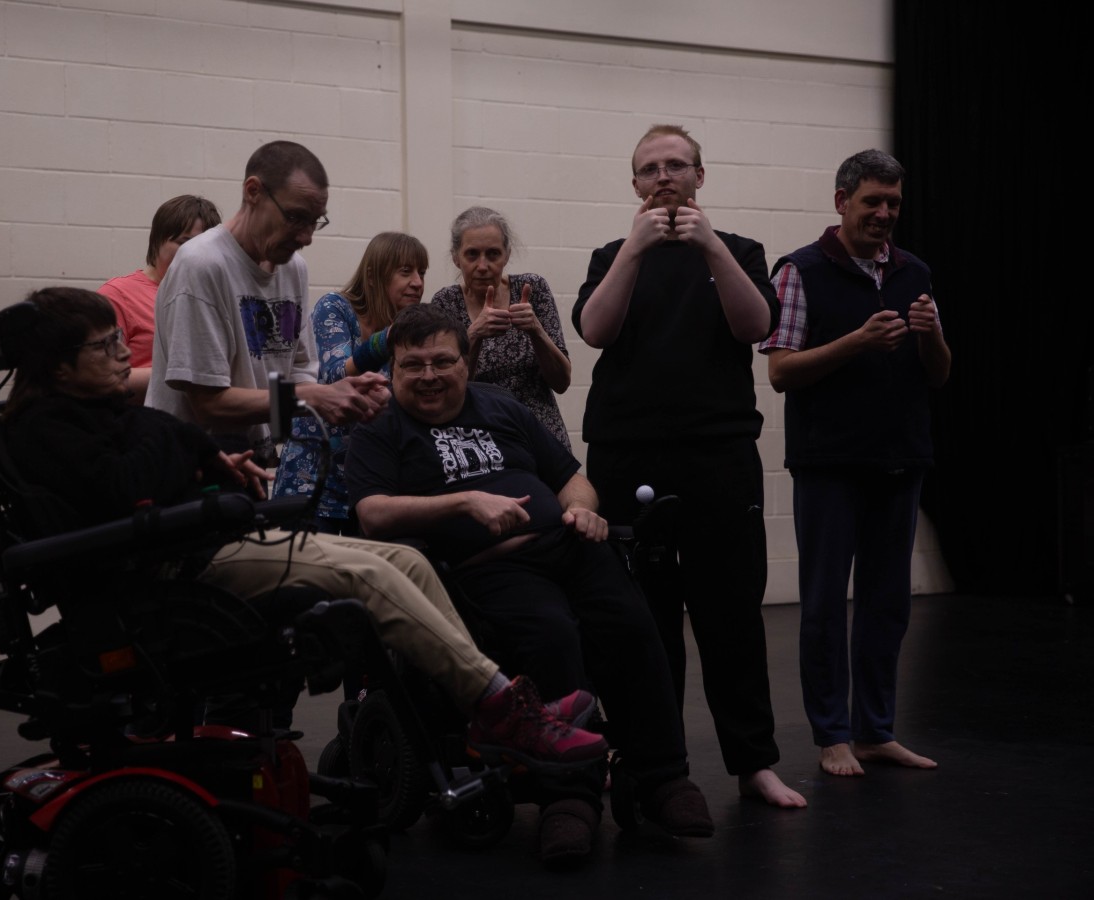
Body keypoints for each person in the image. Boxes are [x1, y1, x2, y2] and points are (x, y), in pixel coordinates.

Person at [0, 286, 609, 768]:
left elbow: (152, 454)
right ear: (57, 367)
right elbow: (140, 471)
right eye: (103, 348)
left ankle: (485, 704)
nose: (118, 356)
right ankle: (502, 707)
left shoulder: (95, 413)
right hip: (167, 568)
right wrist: (187, 443)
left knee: (406, 561)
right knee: (365, 572)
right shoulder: (46, 428)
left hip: (200, 540)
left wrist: (204, 459)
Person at [347, 303, 712, 866]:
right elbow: (371, 513)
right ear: (390, 371)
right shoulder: (380, 427)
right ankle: (570, 800)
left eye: (442, 361)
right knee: (551, 638)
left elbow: (571, 479)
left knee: (635, 629)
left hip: (569, 546)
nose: (428, 376)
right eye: (411, 365)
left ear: (466, 363)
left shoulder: (502, 406)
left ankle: (663, 779)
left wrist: (583, 511)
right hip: (489, 569)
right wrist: (467, 501)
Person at [572, 124, 805, 809]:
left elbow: (756, 326)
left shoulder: (739, 251)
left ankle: (753, 762)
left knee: (730, 612)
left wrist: (708, 245)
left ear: (701, 177)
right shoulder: (612, 254)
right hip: (626, 453)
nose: (664, 176)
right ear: (635, 184)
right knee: (642, 621)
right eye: (650, 169)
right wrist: (635, 252)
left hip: (717, 453)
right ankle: (651, 763)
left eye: (677, 165)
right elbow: (595, 330)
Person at [760, 150, 949, 777]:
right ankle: (831, 735)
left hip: (900, 459)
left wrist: (932, 336)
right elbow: (781, 371)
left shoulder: (914, 270)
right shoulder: (799, 271)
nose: (884, 214)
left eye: (893, 203)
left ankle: (875, 730)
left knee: (887, 603)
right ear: (841, 201)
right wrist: (857, 341)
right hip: (830, 462)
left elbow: (940, 374)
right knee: (820, 604)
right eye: (872, 201)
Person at [145, 140, 390, 464]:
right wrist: (314, 396)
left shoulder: (293, 269)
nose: (307, 237)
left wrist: (342, 396)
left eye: (315, 220)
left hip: (253, 460)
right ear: (253, 192)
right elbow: (208, 402)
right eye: (296, 218)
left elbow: (300, 368)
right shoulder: (202, 264)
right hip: (185, 467)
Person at [273, 232, 428, 533]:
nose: (418, 282)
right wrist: (389, 339)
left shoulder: (403, 331)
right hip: (311, 479)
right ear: (373, 275)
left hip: (369, 487)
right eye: (406, 271)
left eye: (421, 272)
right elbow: (333, 376)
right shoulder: (336, 307)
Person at [429, 206, 573, 449]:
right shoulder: (445, 302)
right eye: (472, 254)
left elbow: (562, 382)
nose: (483, 265)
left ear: (506, 255)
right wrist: (473, 335)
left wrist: (536, 331)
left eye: (493, 254)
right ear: (456, 257)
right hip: (479, 439)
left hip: (539, 435)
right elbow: (449, 392)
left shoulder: (532, 289)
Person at [98, 194, 221, 402]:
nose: (195, 254)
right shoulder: (119, 295)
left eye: (204, 245)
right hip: (144, 424)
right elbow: (101, 376)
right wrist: (184, 375)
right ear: (158, 240)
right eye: (184, 242)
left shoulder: (216, 296)